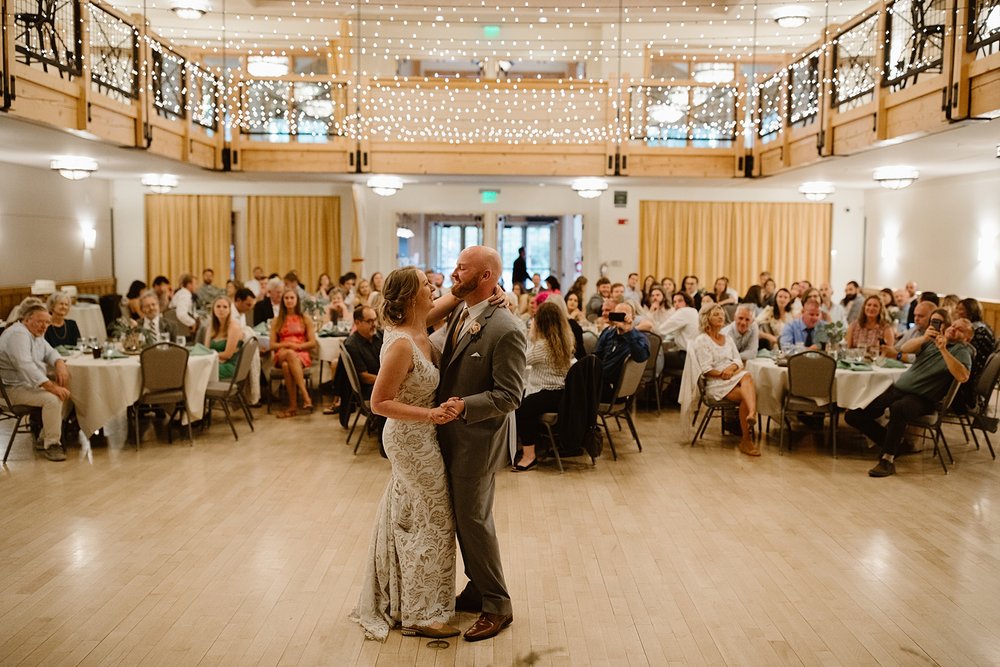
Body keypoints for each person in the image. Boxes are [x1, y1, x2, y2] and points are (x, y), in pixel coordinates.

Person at [352, 267, 460, 641]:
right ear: (413, 296)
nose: (434, 288)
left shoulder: (420, 323)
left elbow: (453, 299)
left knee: (416, 518)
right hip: (408, 437)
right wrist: (430, 413)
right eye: (427, 284)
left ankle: (411, 600)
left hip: (423, 434)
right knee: (434, 520)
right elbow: (379, 402)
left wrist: (487, 291)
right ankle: (419, 613)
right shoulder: (401, 343)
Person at [436, 245, 526, 642]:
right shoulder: (461, 311)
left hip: (478, 438)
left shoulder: (505, 328)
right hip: (454, 435)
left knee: (474, 520)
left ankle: (497, 605)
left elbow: (510, 396)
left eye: (461, 269)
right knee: (465, 520)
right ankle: (476, 587)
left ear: (486, 276)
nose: (454, 274)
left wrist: (463, 406)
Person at [846, 317, 974, 477]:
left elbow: (963, 376)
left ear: (967, 338)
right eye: (953, 325)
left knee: (898, 408)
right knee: (853, 415)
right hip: (898, 390)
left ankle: (887, 459)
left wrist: (944, 350)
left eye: (960, 329)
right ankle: (895, 445)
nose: (953, 328)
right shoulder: (932, 341)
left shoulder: (962, 351)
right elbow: (904, 349)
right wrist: (926, 337)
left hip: (923, 398)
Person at [0, 304, 72, 461]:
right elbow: (25, 366)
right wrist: (51, 387)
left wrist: (60, 364)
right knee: (53, 398)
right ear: (26, 320)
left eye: (47, 322)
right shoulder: (17, 334)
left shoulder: (35, 333)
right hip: (10, 390)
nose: (44, 326)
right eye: (40, 322)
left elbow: (51, 352)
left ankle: (44, 438)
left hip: (26, 386)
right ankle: (52, 444)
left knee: (65, 391)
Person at [512, 301, 575, 472]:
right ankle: (530, 446)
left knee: (522, 408)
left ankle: (529, 455)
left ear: (540, 322)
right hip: (560, 393)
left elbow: (520, 361)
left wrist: (530, 334)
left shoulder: (542, 346)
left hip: (548, 391)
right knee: (521, 399)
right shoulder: (565, 340)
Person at [688, 304, 759, 456]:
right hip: (715, 383)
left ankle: (750, 421)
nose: (721, 317)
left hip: (732, 376)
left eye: (721, 314)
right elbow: (705, 370)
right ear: (707, 318)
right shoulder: (702, 340)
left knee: (746, 377)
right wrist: (722, 374)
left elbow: (738, 360)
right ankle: (747, 437)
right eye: (716, 314)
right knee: (749, 392)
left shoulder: (727, 338)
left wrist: (731, 368)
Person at [270, 289, 317, 418]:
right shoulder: (277, 320)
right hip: (282, 352)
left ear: (297, 300)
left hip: (301, 353)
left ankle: (292, 407)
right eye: (286, 298)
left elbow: (312, 343)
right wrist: (287, 345)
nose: (289, 301)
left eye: (292, 298)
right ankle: (306, 396)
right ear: (283, 301)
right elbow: (272, 345)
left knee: (287, 366)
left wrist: (298, 346)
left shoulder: (305, 319)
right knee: (289, 354)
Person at [594, 302, 650, 400]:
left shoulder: (639, 338)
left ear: (632, 317)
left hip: (616, 390)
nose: (620, 318)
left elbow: (641, 358)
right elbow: (597, 356)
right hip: (599, 382)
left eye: (623, 315)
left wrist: (628, 331)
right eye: (617, 314)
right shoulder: (608, 333)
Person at [955, 297, 996, 412]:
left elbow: (968, 355)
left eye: (960, 309)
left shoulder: (977, 330)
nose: (956, 312)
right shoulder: (982, 326)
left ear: (971, 311)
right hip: (975, 373)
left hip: (972, 377)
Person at [344, 305, 382, 400]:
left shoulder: (382, 335)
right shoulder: (352, 345)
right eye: (369, 321)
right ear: (357, 323)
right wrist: (389, 381)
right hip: (369, 388)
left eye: (375, 320)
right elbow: (364, 377)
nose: (374, 324)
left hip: (383, 381)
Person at [203, 297, 243, 380]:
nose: (221, 309)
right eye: (218, 306)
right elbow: (206, 350)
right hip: (214, 362)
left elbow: (227, 355)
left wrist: (212, 356)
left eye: (225, 307)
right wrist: (213, 357)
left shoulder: (234, 327)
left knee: (199, 370)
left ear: (229, 310)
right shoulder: (211, 326)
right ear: (213, 309)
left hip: (229, 366)